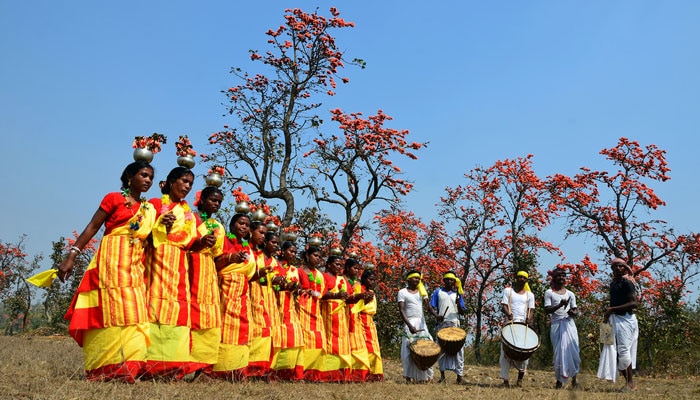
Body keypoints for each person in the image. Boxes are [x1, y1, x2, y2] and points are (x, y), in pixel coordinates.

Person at [59, 161, 156, 383]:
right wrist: (71, 256)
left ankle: (128, 368)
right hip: (111, 262)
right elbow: (92, 227)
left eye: (150, 177)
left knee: (135, 314)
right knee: (111, 313)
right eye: (143, 175)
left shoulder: (149, 209)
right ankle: (105, 369)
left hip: (134, 265)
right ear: (129, 177)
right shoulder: (113, 198)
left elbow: (150, 240)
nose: (148, 180)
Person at [143, 166, 198, 380]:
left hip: (178, 265)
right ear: (171, 182)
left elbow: (190, 242)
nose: (187, 186)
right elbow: (143, 233)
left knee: (177, 312)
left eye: (190, 184)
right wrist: (160, 227)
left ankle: (173, 367)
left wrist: (203, 242)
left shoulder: (189, 215)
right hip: (156, 261)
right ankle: (149, 365)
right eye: (184, 181)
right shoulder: (156, 205)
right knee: (154, 308)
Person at [211, 213, 256, 381]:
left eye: (246, 225)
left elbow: (250, 272)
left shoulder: (247, 246)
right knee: (225, 328)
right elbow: (215, 262)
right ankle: (218, 369)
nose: (244, 227)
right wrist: (231, 258)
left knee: (242, 329)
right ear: (231, 225)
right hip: (226, 288)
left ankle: (237, 370)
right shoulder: (225, 240)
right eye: (240, 223)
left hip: (243, 291)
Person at [187, 187, 225, 377]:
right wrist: (200, 243)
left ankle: (203, 368)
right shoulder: (190, 218)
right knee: (190, 314)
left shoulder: (218, 226)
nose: (216, 204)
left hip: (209, 271)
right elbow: (182, 242)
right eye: (213, 200)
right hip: (189, 266)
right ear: (202, 200)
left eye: (219, 201)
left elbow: (219, 256)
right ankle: (182, 364)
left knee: (208, 317)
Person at [597, 257, 638, 391]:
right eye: (615, 267)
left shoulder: (628, 283)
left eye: (621, 266)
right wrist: (608, 315)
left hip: (625, 320)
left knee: (623, 351)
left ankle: (630, 383)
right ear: (612, 270)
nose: (618, 268)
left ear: (625, 268)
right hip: (613, 319)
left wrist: (612, 310)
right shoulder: (613, 284)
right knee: (611, 349)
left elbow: (634, 303)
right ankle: (626, 381)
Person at [246, 223, 279, 379]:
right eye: (261, 232)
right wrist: (261, 274)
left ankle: (260, 369)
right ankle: (247, 368)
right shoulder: (245, 249)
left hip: (264, 298)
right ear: (251, 231)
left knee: (265, 332)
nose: (263, 237)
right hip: (247, 295)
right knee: (252, 331)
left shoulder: (260, 255)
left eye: (265, 234)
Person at [269, 240, 305, 381]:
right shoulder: (275, 265)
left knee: (296, 338)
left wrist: (296, 289)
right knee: (278, 339)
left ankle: (291, 373)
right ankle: (272, 373)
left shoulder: (295, 270)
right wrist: (283, 286)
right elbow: (271, 283)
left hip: (290, 307)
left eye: (295, 252)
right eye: (291, 251)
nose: (293, 254)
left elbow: (299, 288)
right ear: (282, 251)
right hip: (276, 306)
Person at [398, 270, 438, 383]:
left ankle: (426, 377)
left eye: (418, 278)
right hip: (409, 322)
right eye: (415, 277)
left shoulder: (422, 292)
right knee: (408, 350)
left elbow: (428, 308)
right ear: (408, 279)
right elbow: (401, 310)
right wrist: (409, 325)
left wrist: (437, 316)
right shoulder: (402, 292)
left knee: (427, 350)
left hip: (421, 323)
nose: (417, 280)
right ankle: (408, 377)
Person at [543, 268, 580, 389]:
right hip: (557, 324)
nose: (562, 278)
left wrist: (572, 312)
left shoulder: (570, 294)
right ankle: (559, 381)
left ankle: (574, 379)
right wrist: (559, 305)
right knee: (559, 353)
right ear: (554, 277)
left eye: (564, 276)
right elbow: (547, 309)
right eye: (559, 276)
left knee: (573, 351)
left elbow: (575, 310)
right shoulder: (549, 293)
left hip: (569, 324)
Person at [297, 246, 329, 381]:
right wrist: (304, 291)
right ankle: (301, 372)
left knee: (319, 340)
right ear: (307, 256)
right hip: (302, 309)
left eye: (320, 257)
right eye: (315, 255)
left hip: (316, 310)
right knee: (304, 340)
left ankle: (314, 374)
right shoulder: (298, 271)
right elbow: (294, 287)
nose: (318, 259)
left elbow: (323, 292)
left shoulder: (320, 274)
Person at [430, 271, 467, 384]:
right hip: (442, 324)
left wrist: (458, 304)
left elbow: (463, 312)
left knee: (459, 351)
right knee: (441, 350)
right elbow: (431, 307)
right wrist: (437, 316)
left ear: (454, 281)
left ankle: (459, 377)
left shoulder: (458, 294)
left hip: (455, 324)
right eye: (447, 279)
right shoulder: (438, 292)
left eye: (452, 280)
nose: (449, 281)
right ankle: (442, 376)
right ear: (444, 281)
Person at [500, 270, 535, 387]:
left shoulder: (530, 295)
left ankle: (520, 379)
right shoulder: (508, 291)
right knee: (505, 353)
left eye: (523, 278)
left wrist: (529, 319)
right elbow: (504, 305)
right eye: (519, 277)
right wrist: (508, 314)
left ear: (526, 280)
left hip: (523, 325)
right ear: (516, 278)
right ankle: (505, 380)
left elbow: (531, 310)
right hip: (510, 324)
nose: (521, 279)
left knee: (525, 352)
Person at [320, 255, 352, 382]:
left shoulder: (342, 280)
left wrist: (361, 296)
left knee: (342, 344)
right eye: (337, 264)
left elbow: (349, 296)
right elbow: (321, 293)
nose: (339, 267)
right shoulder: (323, 276)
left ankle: (341, 375)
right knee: (329, 343)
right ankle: (327, 375)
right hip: (327, 314)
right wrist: (336, 295)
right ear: (328, 265)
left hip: (341, 317)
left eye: (341, 265)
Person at [344, 258, 373, 382]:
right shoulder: (342, 280)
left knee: (358, 344)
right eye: (354, 268)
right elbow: (345, 298)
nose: (356, 271)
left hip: (355, 317)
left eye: (358, 269)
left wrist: (366, 299)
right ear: (347, 268)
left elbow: (360, 302)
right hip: (343, 314)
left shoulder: (356, 283)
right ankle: (346, 373)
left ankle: (358, 374)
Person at [359, 269, 384, 381]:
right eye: (370, 279)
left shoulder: (372, 292)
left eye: (374, 280)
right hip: (361, 319)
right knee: (365, 347)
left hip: (370, 321)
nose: (372, 282)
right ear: (364, 279)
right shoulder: (359, 290)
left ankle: (375, 373)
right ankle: (365, 373)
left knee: (374, 347)